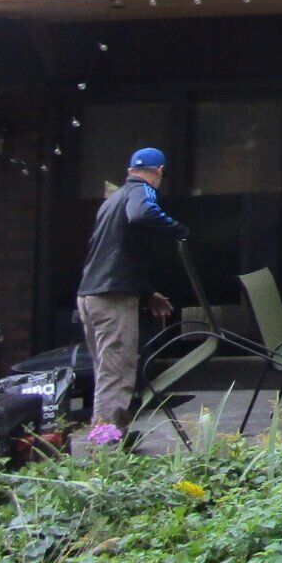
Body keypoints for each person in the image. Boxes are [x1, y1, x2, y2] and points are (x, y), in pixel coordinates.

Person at [75, 147, 190, 428]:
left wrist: (147, 292)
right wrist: (178, 229)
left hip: (89, 295)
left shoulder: (111, 201)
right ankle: (106, 445)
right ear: (159, 171)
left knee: (106, 372)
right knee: (116, 374)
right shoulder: (142, 190)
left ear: (129, 171)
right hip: (112, 299)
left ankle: (112, 435)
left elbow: (113, 255)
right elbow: (141, 214)